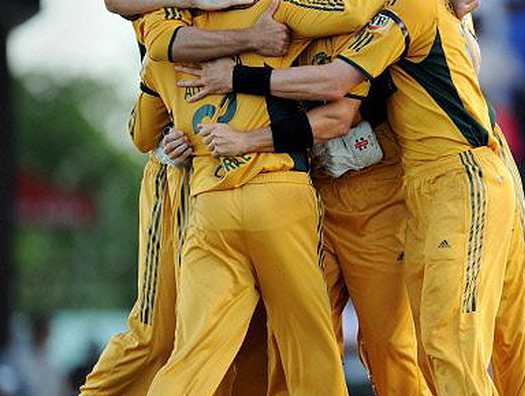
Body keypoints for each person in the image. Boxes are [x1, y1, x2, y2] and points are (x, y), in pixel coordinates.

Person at [182, 0, 525, 394]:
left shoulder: (394, 9)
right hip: (330, 192)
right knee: (307, 348)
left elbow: (338, 91)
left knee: (425, 343)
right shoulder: (281, 18)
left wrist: (240, 84)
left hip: (415, 185)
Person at [130, 1, 389, 394]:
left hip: (210, 205)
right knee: (308, 343)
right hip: (276, 192)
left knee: (193, 356)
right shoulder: (277, 14)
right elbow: (351, 14)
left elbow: (142, 135)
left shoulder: (168, 40)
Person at [80, 1, 288, 395]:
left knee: (253, 334)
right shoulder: (165, 12)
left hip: (269, 175)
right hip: (182, 174)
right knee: (158, 334)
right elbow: (144, 124)